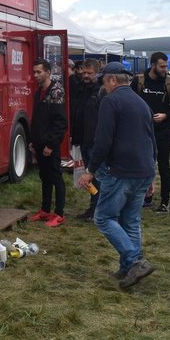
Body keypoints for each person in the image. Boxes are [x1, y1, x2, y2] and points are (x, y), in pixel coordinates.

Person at [76, 62, 157, 289]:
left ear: (112, 80)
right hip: (143, 169)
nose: (103, 85)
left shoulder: (110, 102)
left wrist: (90, 171)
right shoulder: (142, 103)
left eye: (104, 81)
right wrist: (152, 174)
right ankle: (127, 269)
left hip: (121, 170)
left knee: (103, 218)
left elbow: (103, 141)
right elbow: (152, 140)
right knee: (130, 220)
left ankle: (134, 261)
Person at [131, 52, 170, 211]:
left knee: (164, 165)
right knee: (144, 165)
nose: (165, 69)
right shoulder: (139, 81)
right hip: (141, 132)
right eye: (162, 66)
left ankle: (165, 201)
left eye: (166, 66)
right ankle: (145, 196)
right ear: (153, 65)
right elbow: (129, 103)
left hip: (163, 131)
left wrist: (166, 116)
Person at [28, 58, 67, 227]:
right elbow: (37, 119)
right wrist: (32, 141)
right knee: (44, 177)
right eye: (34, 72)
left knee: (56, 176)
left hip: (50, 145)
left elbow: (60, 122)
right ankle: (45, 209)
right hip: (39, 142)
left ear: (48, 72)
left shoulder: (56, 91)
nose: (35, 75)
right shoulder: (38, 92)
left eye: (39, 72)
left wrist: (51, 144)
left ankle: (59, 213)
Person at [76, 59, 104, 222]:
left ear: (96, 73)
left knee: (98, 177)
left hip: (95, 141)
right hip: (84, 140)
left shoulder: (100, 91)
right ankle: (94, 207)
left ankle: (99, 210)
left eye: (89, 73)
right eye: (84, 73)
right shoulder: (82, 89)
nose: (85, 76)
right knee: (90, 177)